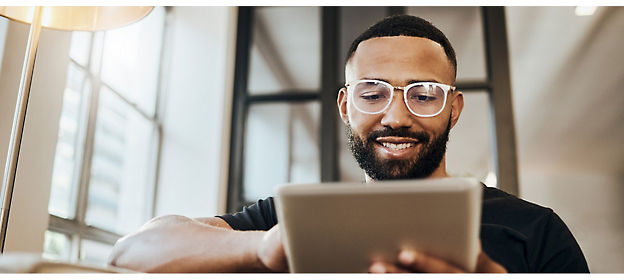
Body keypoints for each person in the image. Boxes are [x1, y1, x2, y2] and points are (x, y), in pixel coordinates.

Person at [107, 14, 589, 273]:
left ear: (454, 108)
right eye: (372, 92)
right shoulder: (287, 222)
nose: (396, 116)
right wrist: (262, 249)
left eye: (423, 94)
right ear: (344, 105)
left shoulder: (536, 232)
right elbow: (134, 250)